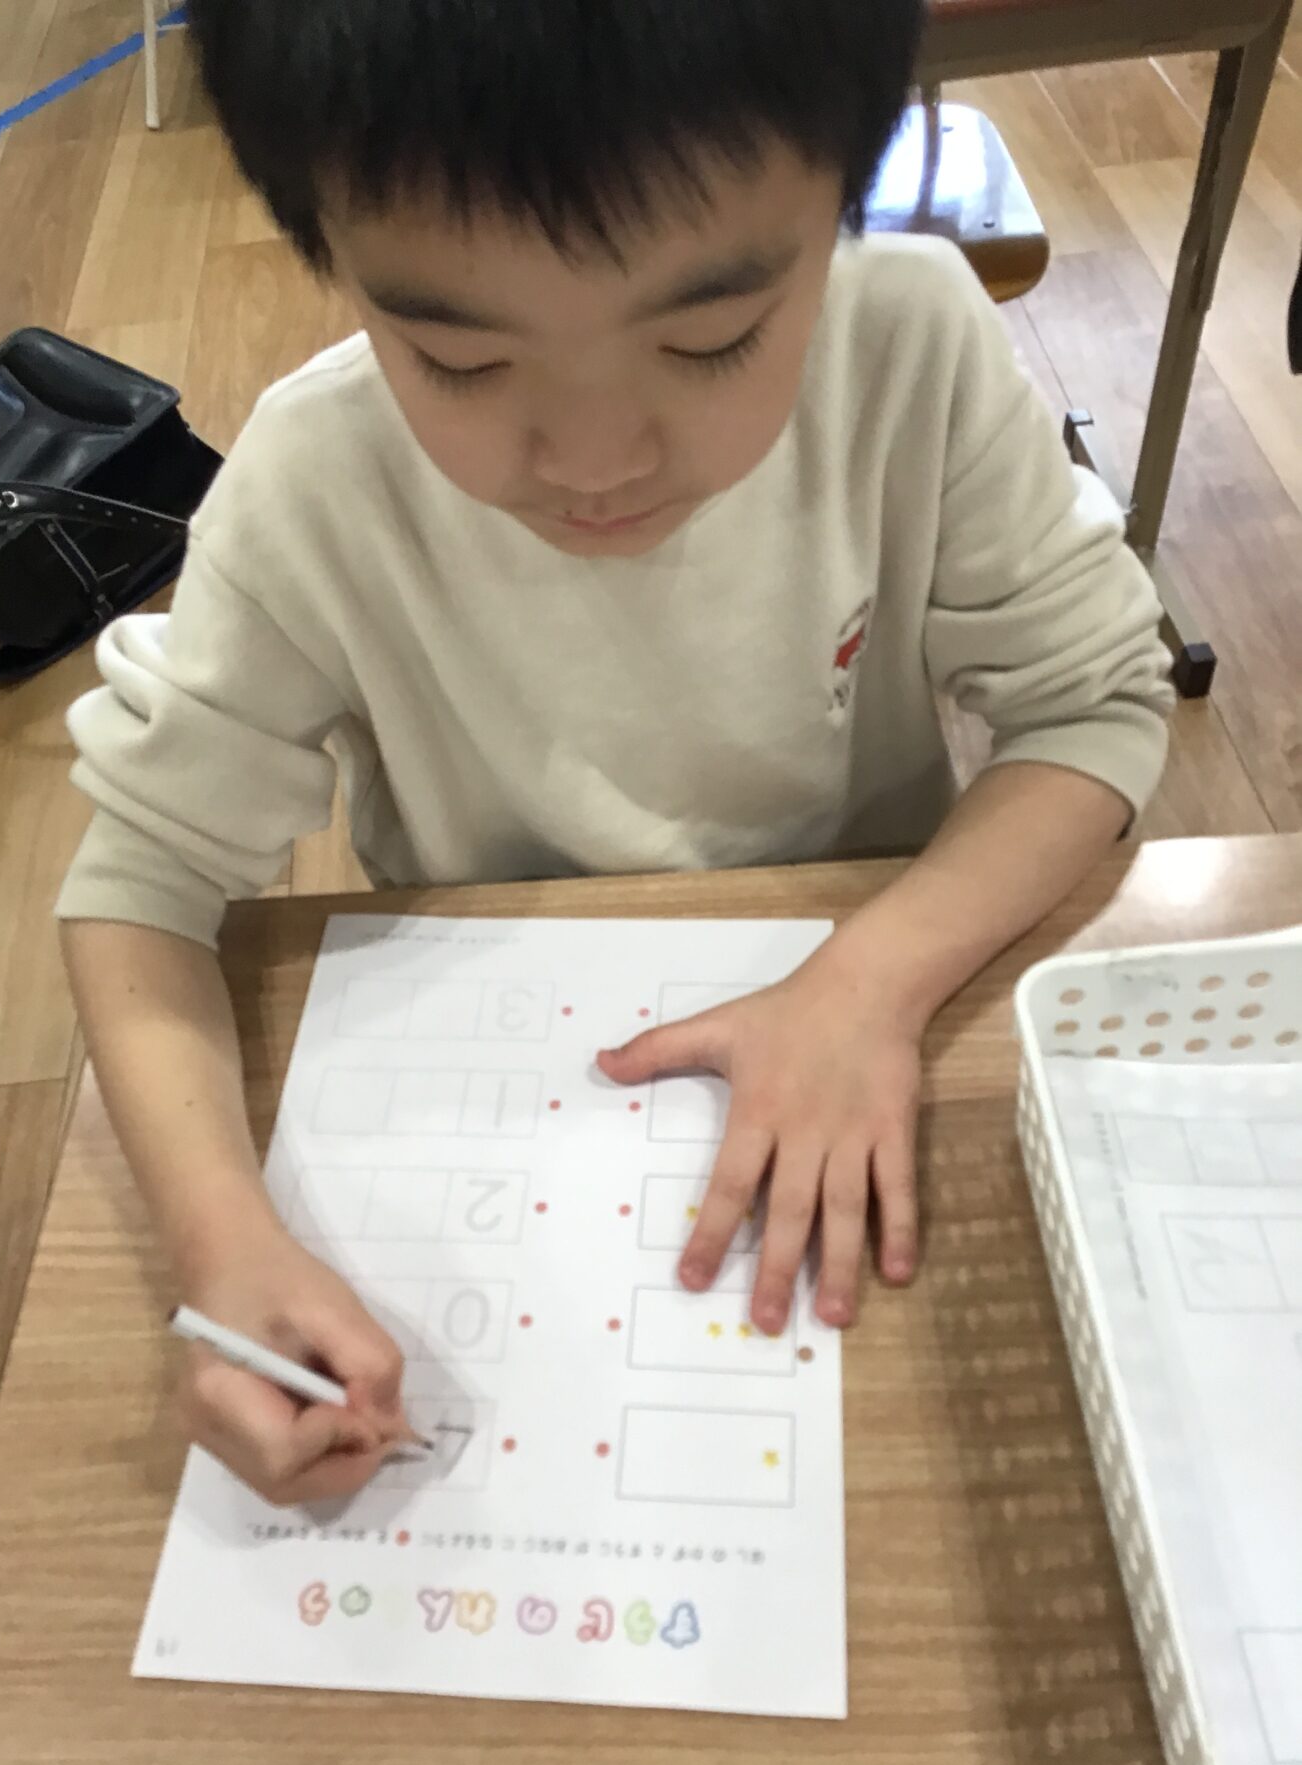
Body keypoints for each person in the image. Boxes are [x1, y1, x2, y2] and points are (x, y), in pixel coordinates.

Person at [57, 0, 1174, 1504]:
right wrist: (222, 1243)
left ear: (846, 190)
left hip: (888, 1040)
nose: (593, 461)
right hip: (511, 1113)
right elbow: (137, 887)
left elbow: (1092, 707)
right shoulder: (315, 481)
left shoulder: (910, 348)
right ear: (327, 248)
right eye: (458, 358)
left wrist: (869, 980)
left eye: (711, 339)